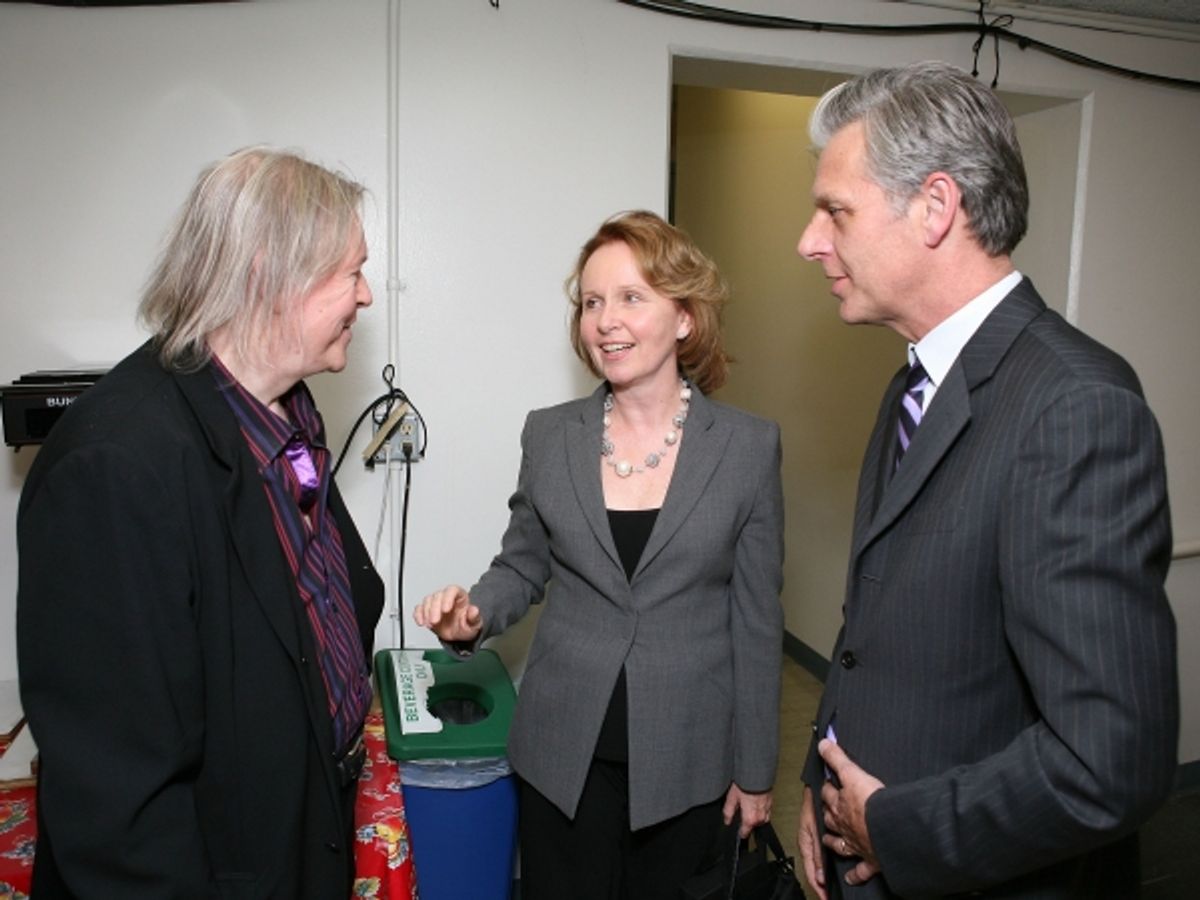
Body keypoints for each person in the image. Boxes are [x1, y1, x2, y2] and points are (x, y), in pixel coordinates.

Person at [794, 61, 1178, 899]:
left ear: (935, 208)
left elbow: (1109, 762)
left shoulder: (1076, 407)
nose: (810, 240)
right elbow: (874, 628)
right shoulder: (916, 382)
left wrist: (893, 828)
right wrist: (819, 785)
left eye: (836, 211)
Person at [17, 147, 385, 898]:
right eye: (351, 271)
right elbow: (123, 818)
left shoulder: (286, 410)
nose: (368, 294)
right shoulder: (115, 467)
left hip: (301, 829)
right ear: (267, 276)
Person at [414, 210, 784, 900]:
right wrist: (474, 614)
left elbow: (757, 620)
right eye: (591, 302)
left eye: (630, 298)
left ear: (684, 318)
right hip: (562, 754)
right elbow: (522, 565)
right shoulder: (551, 436)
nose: (605, 320)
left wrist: (756, 769)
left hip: (690, 761)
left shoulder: (747, 448)